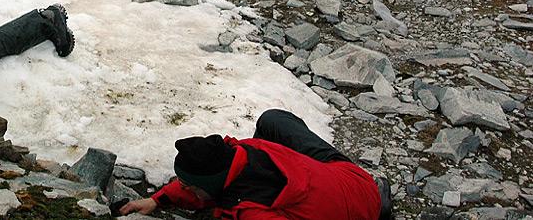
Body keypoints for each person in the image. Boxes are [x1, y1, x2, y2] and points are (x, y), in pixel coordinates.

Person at [120, 109, 392, 220]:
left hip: (364, 205)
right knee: (272, 120)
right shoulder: (241, 150)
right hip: (340, 174)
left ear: (212, 186)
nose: (183, 189)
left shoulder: (249, 210)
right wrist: (158, 200)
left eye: (188, 186)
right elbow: (206, 186)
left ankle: (381, 202)